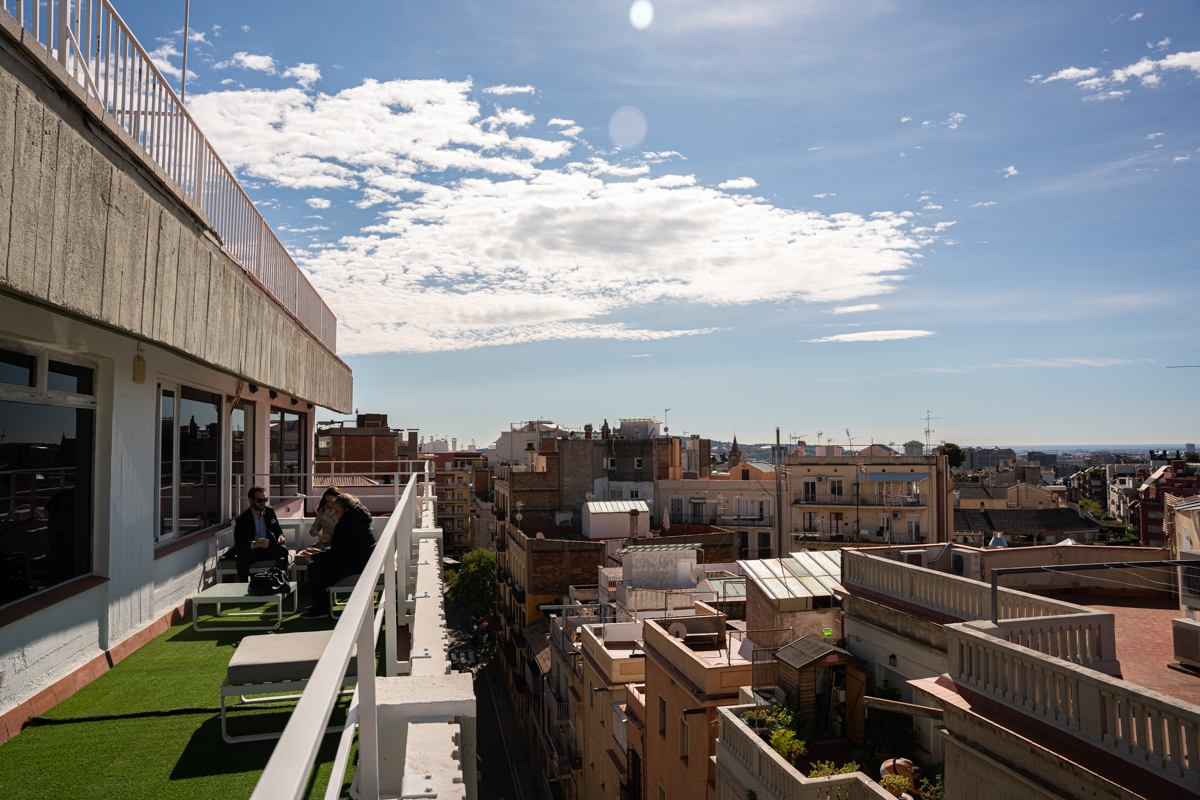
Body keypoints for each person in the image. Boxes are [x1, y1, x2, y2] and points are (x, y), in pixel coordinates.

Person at [300, 493, 375, 619]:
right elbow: (341, 548)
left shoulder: (349, 523)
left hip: (356, 562)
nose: (335, 513)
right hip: (359, 559)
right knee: (317, 567)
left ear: (346, 509)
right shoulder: (355, 518)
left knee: (313, 567)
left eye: (337, 510)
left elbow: (337, 551)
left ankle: (321, 608)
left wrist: (314, 557)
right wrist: (318, 554)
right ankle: (321, 605)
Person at [230, 486, 289, 581]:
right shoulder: (243, 519)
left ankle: (276, 580)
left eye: (265, 500)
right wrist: (254, 544)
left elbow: (277, 529)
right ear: (251, 500)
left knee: (283, 550)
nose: (263, 503)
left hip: (268, 548)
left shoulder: (269, 512)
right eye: (259, 500)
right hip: (252, 551)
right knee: (242, 556)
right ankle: (243, 586)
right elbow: (239, 542)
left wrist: (280, 537)